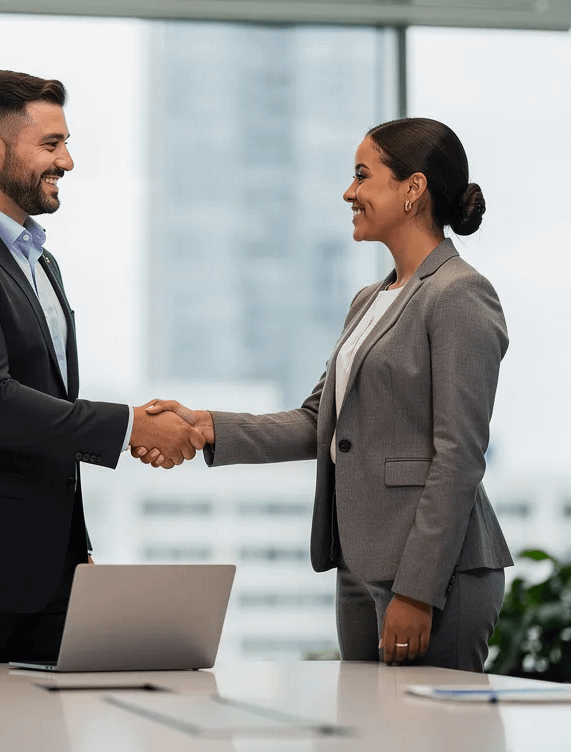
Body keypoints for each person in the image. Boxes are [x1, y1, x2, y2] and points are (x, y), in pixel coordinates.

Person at [136, 118, 513, 671]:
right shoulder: (370, 299)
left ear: (413, 190)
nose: (349, 192)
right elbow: (322, 420)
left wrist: (417, 590)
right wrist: (204, 425)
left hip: (435, 573)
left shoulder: (459, 294)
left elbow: (459, 456)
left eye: (362, 176)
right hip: (360, 565)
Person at [0, 70, 206, 664]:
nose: (68, 161)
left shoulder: (37, 262)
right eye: (51, 145)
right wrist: (130, 428)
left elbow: (42, 408)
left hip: (45, 575)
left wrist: (71, 549)